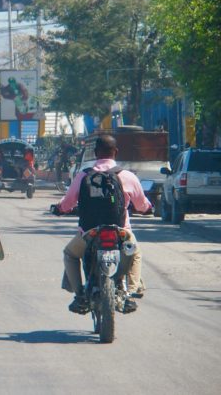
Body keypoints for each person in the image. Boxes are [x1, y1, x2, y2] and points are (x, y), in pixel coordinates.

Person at [55, 134, 152, 314]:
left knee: (70, 254)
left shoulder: (83, 175)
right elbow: (142, 205)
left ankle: (80, 295)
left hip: (89, 233)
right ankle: (130, 294)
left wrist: (59, 209)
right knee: (135, 253)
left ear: (95, 152)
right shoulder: (127, 176)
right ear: (116, 152)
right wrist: (148, 209)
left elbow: (67, 203)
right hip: (122, 233)